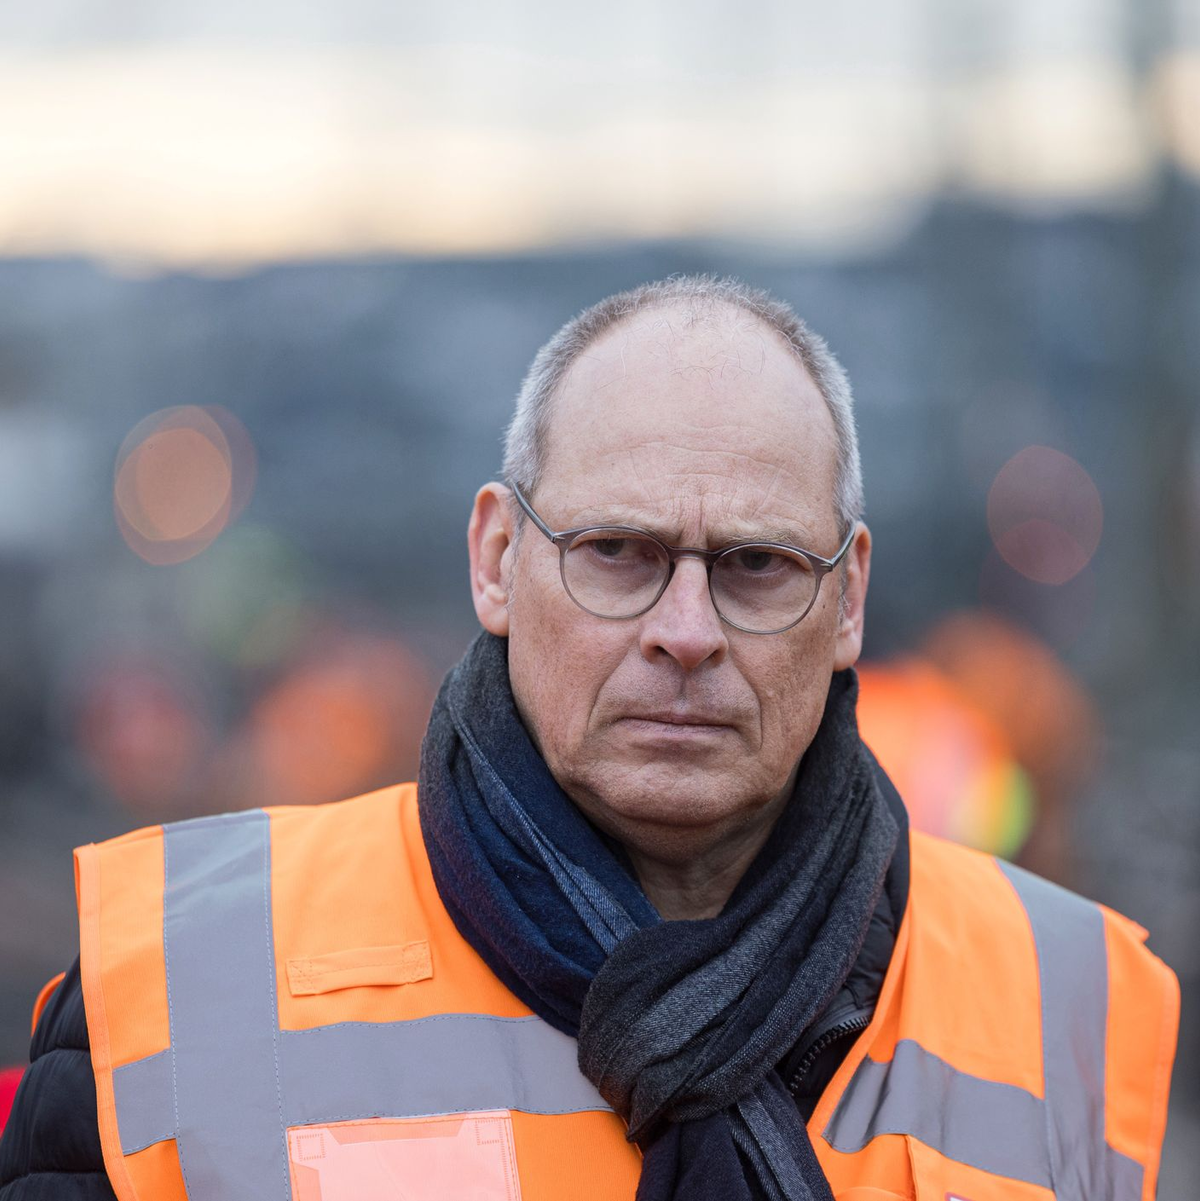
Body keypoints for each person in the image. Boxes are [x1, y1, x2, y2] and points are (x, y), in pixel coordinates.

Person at [0, 276, 1179, 1201]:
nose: (686, 631)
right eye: (617, 553)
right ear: (497, 560)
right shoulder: (172, 994)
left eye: (757, 566)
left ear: (850, 597)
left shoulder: (1073, 1003)